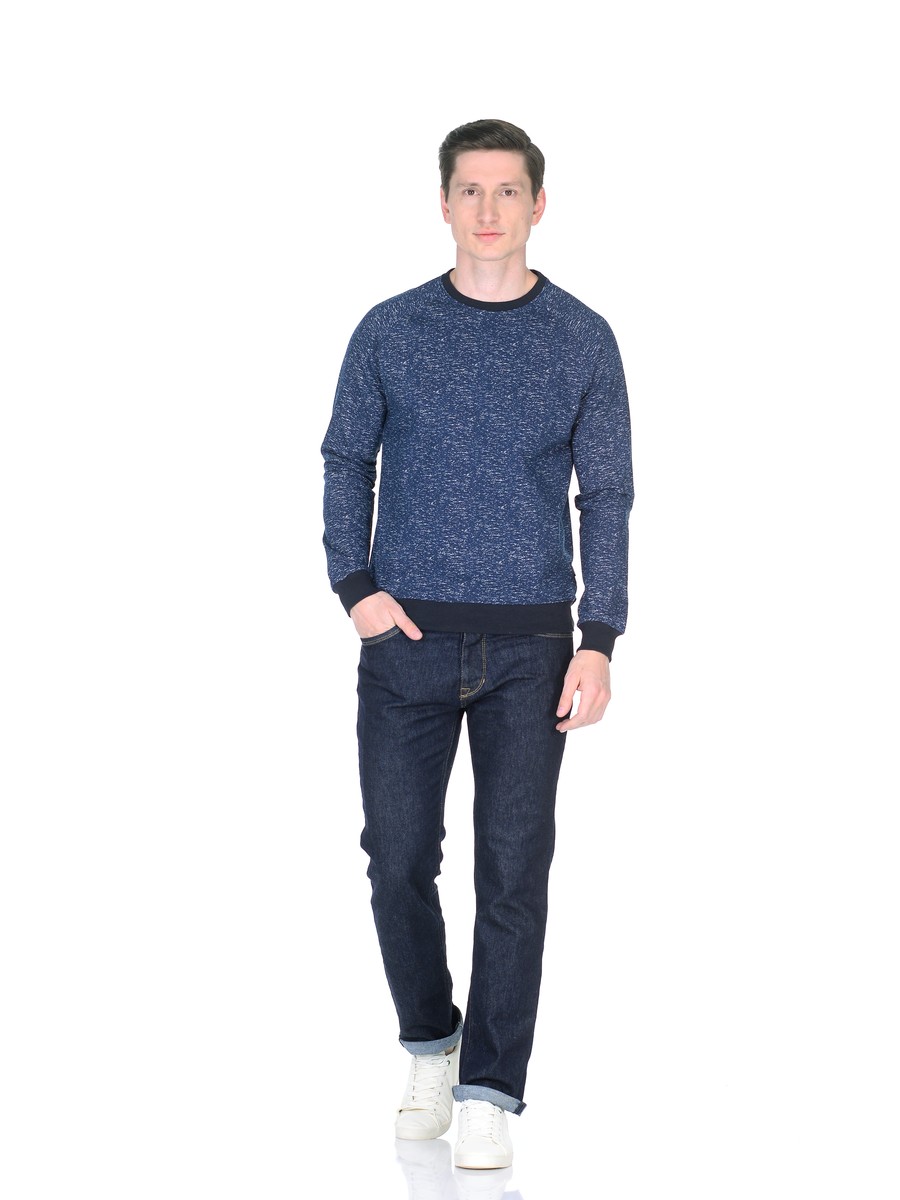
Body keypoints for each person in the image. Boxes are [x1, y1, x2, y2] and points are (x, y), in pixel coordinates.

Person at [321, 118, 634, 1170]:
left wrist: (600, 637)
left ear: (538, 205)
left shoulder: (583, 338)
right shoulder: (390, 329)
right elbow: (344, 458)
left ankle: (492, 1088)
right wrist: (355, 588)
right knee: (398, 858)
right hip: (405, 640)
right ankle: (430, 1042)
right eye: (471, 190)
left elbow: (608, 494)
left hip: (532, 648)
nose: (489, 210)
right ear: (444, 204)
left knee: (513, 870)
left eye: (508, 191)